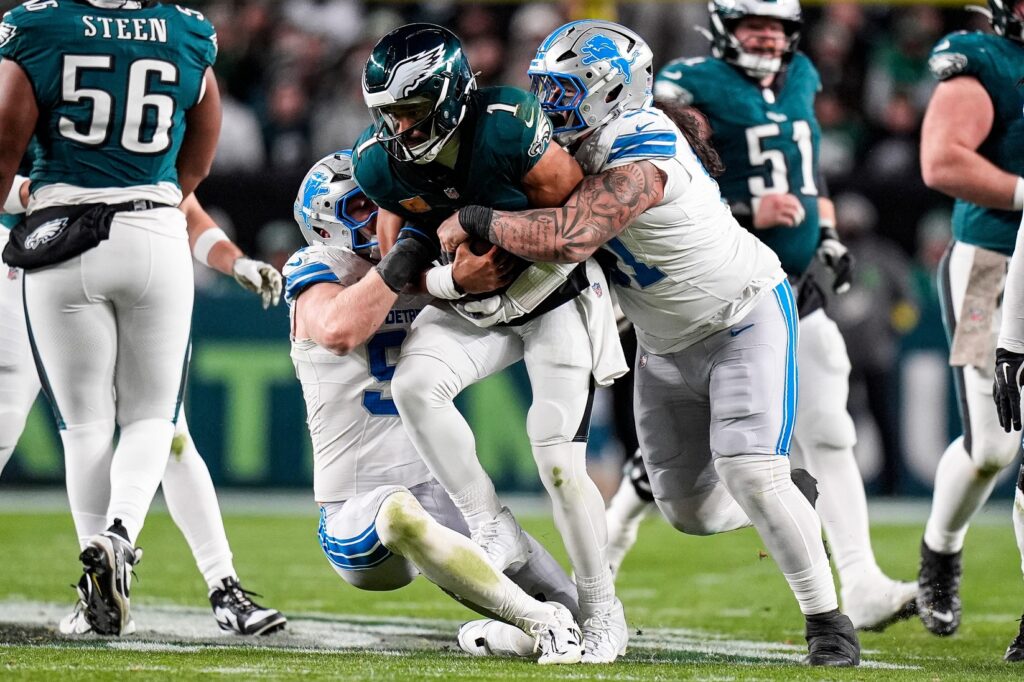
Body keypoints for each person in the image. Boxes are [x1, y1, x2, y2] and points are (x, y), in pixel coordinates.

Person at [439, 20, 861, 666]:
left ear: (610, 94)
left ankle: (829, 624)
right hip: (663, 344)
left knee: (749, 469)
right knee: (688, 509)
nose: (546, 107)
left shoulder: (643, 143)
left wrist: (478, 220)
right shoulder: (566, 148)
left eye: (563, 92)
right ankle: (782, 493)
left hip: (741, 317)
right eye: (543, 90)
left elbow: (570, 236)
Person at [622, 0, 915, 631]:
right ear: (725, 26)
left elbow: (806, 175)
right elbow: (664, 182)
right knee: (677, 480)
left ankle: (859, 581)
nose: (766, 37)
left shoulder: (802, 76)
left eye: (778, 28)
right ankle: (599, 571)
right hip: (715, 286)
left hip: (791, 287)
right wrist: (751, 208)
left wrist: (828, 234)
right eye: (754, 24)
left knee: (828, 427)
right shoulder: (688, 84)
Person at [351, 24, 630, 663]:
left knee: (558, 458)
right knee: (416, 386)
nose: (401, 129)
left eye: (412, 112)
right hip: (477, 304)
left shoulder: (506, 123)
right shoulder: (379, 161)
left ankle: (601, 610)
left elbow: (574, 219)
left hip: (553, 292)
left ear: (449, 97)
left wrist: (485, 224)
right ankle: (488, 523)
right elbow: (398, 264)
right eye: (388, 115)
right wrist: (452, 275)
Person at [284, 151, 583, 664]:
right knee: (398, 511)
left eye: (380, 201)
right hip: (355, 510)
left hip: (440, 496)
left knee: (576, 611)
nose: (378, 216)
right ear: (324, 224)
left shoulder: (422, 260)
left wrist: (461, 273)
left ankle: (493, 635)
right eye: (359, 206)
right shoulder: (317, 267)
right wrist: (411, 253)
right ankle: (537, 621)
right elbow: (337, 331)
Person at [0, 0, 220, 635]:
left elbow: (4, 146)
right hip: (154, 227)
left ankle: (93, 577)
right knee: (153, 416)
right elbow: (198, 161)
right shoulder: (187, 28)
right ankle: (121, 531)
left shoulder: (37, 24)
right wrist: (147, 198)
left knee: (83, 426)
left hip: (63, 231)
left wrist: (38, 194)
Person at [0, 171, 286, 635]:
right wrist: (40, 192)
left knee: (166, 432)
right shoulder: (49, 104)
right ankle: (115, 581)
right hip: (41, 265)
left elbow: (183, 203)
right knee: (73, 426)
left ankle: (219, 587)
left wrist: (234, 262)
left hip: (101, 259)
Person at [916, 0, 1024, 640]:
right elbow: (942, 161)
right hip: (995, 264)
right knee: (995, 446)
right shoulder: (983, 60)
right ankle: (941, 549)